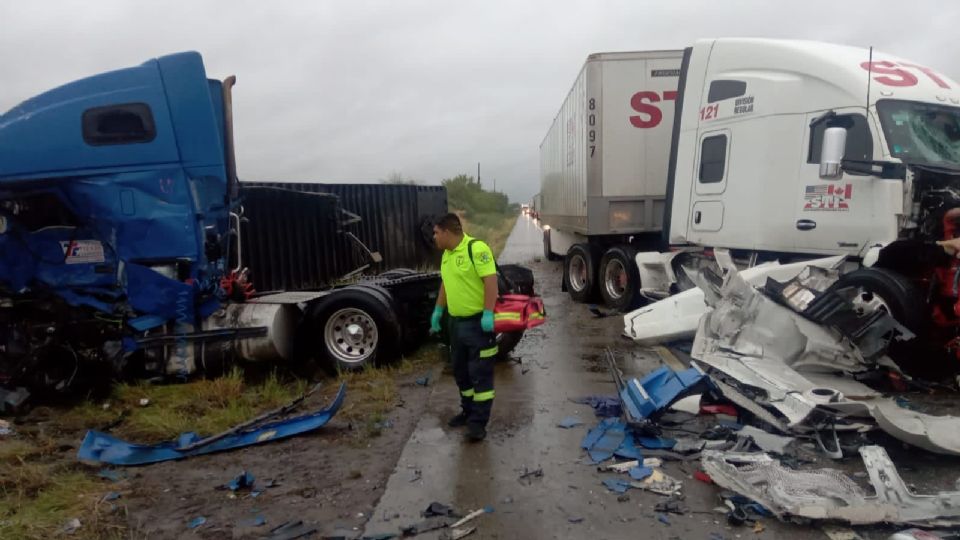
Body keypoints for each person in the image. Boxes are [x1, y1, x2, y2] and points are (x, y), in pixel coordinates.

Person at [430, 213, 499, 441]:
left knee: (480, 376)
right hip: (456, 325)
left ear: (447, 232)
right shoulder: (447, 255)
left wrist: (488, 313)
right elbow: (446, 284)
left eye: (436, 232)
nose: (434, 237)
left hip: (477, 324)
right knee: (461, 373)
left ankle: (478, 424)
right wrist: (438, 311)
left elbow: (491, 281)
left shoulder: (476, 249)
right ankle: (468, 412)